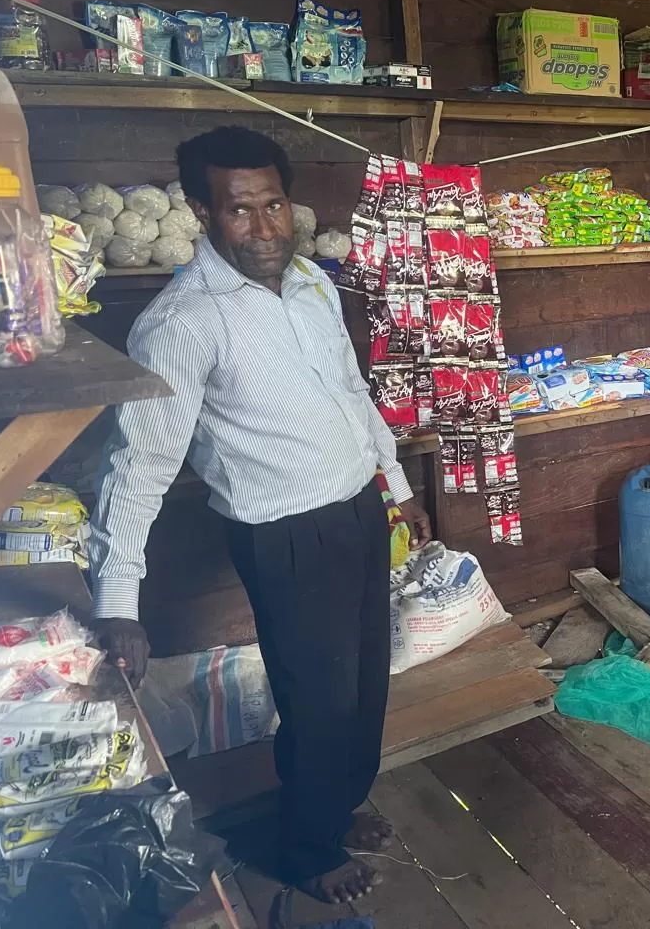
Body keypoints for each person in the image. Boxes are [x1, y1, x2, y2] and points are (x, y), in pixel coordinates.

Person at [88, 126, 432, 904]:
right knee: (318, 698)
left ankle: (339, 808)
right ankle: (310, 851)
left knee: (366, 682)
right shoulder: (183, 322)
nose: (265, 226)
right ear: (204, 212)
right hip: (284, 535)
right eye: (240, 211)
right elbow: (137, 467)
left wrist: (397, 484)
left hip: (357, 512)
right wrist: (117, 604)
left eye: (273, 204)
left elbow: (352, 393)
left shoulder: (311, 283)